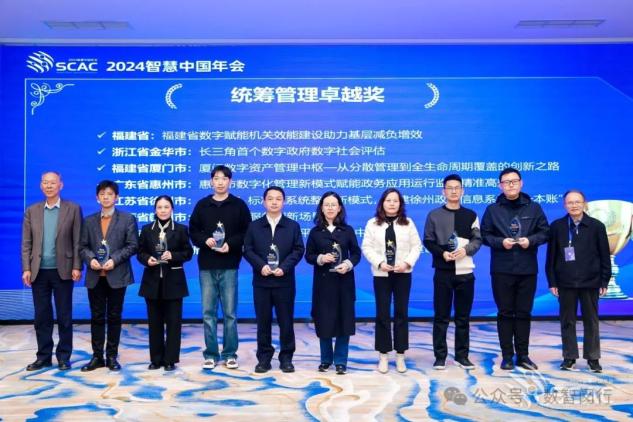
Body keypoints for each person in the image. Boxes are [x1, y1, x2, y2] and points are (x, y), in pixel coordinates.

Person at [481, 167, 549, 371]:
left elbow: (545, 232)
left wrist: (531, 240)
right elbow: (484, 236)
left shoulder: (534, 208)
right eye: (506, 182)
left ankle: (523, 355)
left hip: (527, 269)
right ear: (500, 185)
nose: (510, 185)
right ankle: (507, 356)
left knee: (524, 313)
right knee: (505, 313)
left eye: (514, 181)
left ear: (521, 183)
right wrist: (501, 242)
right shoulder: (493, 210)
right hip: (501, 269)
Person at [189, 165, 252, 370]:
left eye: (224, 178)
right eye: (216, 178)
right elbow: (193, 231)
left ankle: (230, 353)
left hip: (229, 265)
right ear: (211, 181)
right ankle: (211, 354)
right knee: (208, 312)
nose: (220, 182)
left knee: (230, 313)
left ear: (230, 181)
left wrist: (230, 244)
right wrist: (205, 240)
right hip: (207, 265)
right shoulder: (202, 205)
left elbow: (247, 232)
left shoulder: (239, 205)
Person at [21, 171, 82, 371]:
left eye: (52, 183)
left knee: (64, 316)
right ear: (41, 186)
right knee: (41, 316)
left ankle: (64, 357)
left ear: (60, 185)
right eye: (45, 183)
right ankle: (43, 356)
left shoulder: (72, 209)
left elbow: (77, 241)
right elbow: (26, 243)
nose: (49, 186)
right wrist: (26, 268)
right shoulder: (32, 211)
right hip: (38, 272)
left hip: (63, 270)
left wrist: (77, 265)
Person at [546, 190, 611, 373]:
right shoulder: (557, 226)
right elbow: (551, 258)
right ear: (564, 205)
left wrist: (604, 281)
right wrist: (552, 281)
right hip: (565, 282)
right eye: (570, 202)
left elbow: (605, 256)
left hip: (591, 282)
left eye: (577, 202)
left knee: (591, 321)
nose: (574, 205)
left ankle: (593, 358)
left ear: (584, 204)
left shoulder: (596, 226)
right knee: (567, 321)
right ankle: (569, 357)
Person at [423, 174, 482, 371]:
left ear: (462, 191)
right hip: (443, 272)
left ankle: (462, 356)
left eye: (457, 188)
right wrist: (442, 254)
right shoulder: (434, 215)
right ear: (443, 191)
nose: (454, 191)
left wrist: (466, 250)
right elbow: (428, 240)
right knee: (441, 316)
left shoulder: (471, 215)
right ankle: (440, 357)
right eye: (450, 188)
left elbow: (477, 239)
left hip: (465, 272)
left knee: (463, 317)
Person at [79, 180, 139, 371]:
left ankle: (112, 356)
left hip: (117, 275)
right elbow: (82, 246)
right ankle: (97, 357)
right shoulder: (88, 221)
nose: (106, 197)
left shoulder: (127, 219)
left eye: (110, 194)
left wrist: (114, 259)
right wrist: (90, 259)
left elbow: (133, 245)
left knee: (114, 317)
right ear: (97, 198)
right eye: (102, 194)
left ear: (116, 197)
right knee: (96, 317)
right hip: (95, 276)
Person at [244, 186, 304, 373]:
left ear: (284, 202)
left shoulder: (292, 226)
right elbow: (248, 249)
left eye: (278, 199)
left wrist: (284, 268)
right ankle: (264, 358)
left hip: (284, 282)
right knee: (263, 322)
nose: (274, 202)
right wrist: (260, 266)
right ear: (264, 202)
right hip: (261, 282)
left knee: (286, 321)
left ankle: (286, 358)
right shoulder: (254, 226)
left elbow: (298, 250)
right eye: (270, 199)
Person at [361, 188, 422, 373]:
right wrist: (380, 263)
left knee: (401, 313)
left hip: (403, 273)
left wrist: (407, 263)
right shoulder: (372, 223)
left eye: (395, 201)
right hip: (382, 275)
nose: (392, 203)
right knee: (383, 313)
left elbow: (416, 246)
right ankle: (383, 354)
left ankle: (400, 354)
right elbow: (366, 247)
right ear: (382, 203)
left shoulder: (408, 223)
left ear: (400, 204)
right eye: (388, 200)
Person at [305, 191, 361, 375]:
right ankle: (325, 360)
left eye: (333, 205)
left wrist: (348, 264)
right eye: (326, 204)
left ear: (339, 208)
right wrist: (321, 258)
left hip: (344, 282)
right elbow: (308, 255)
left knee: (344, 321)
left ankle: (341, 361)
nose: (330, 208)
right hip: (323, 284)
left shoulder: (347, 230)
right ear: (321, 208)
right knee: (324, 321)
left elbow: (356, 253)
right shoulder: (315, 232)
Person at [137, 195, 193, 371]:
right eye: (159, 207)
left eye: (166, 207)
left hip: (174, 282)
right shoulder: (147, 229)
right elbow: (140, 252)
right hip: (152, 282)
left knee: (174, 323)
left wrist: (173, 255)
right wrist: (148, 259)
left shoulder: (181, 229)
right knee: (154, 323)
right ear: (155, 210)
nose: (163, 210)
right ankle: (156, 359)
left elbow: (188, 253)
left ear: (172, 209)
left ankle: (170, 360)